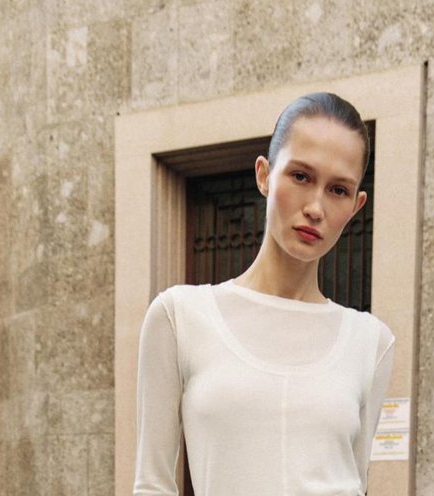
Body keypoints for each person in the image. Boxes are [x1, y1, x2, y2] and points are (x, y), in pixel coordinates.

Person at [133, 92, 395, 496]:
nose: (316, 208)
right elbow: (152, 486)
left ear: (357, 205)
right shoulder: (179, 317)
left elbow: (357, 483)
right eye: (301, 176)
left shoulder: (371, 341)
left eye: (338, 190)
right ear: (264, 175)